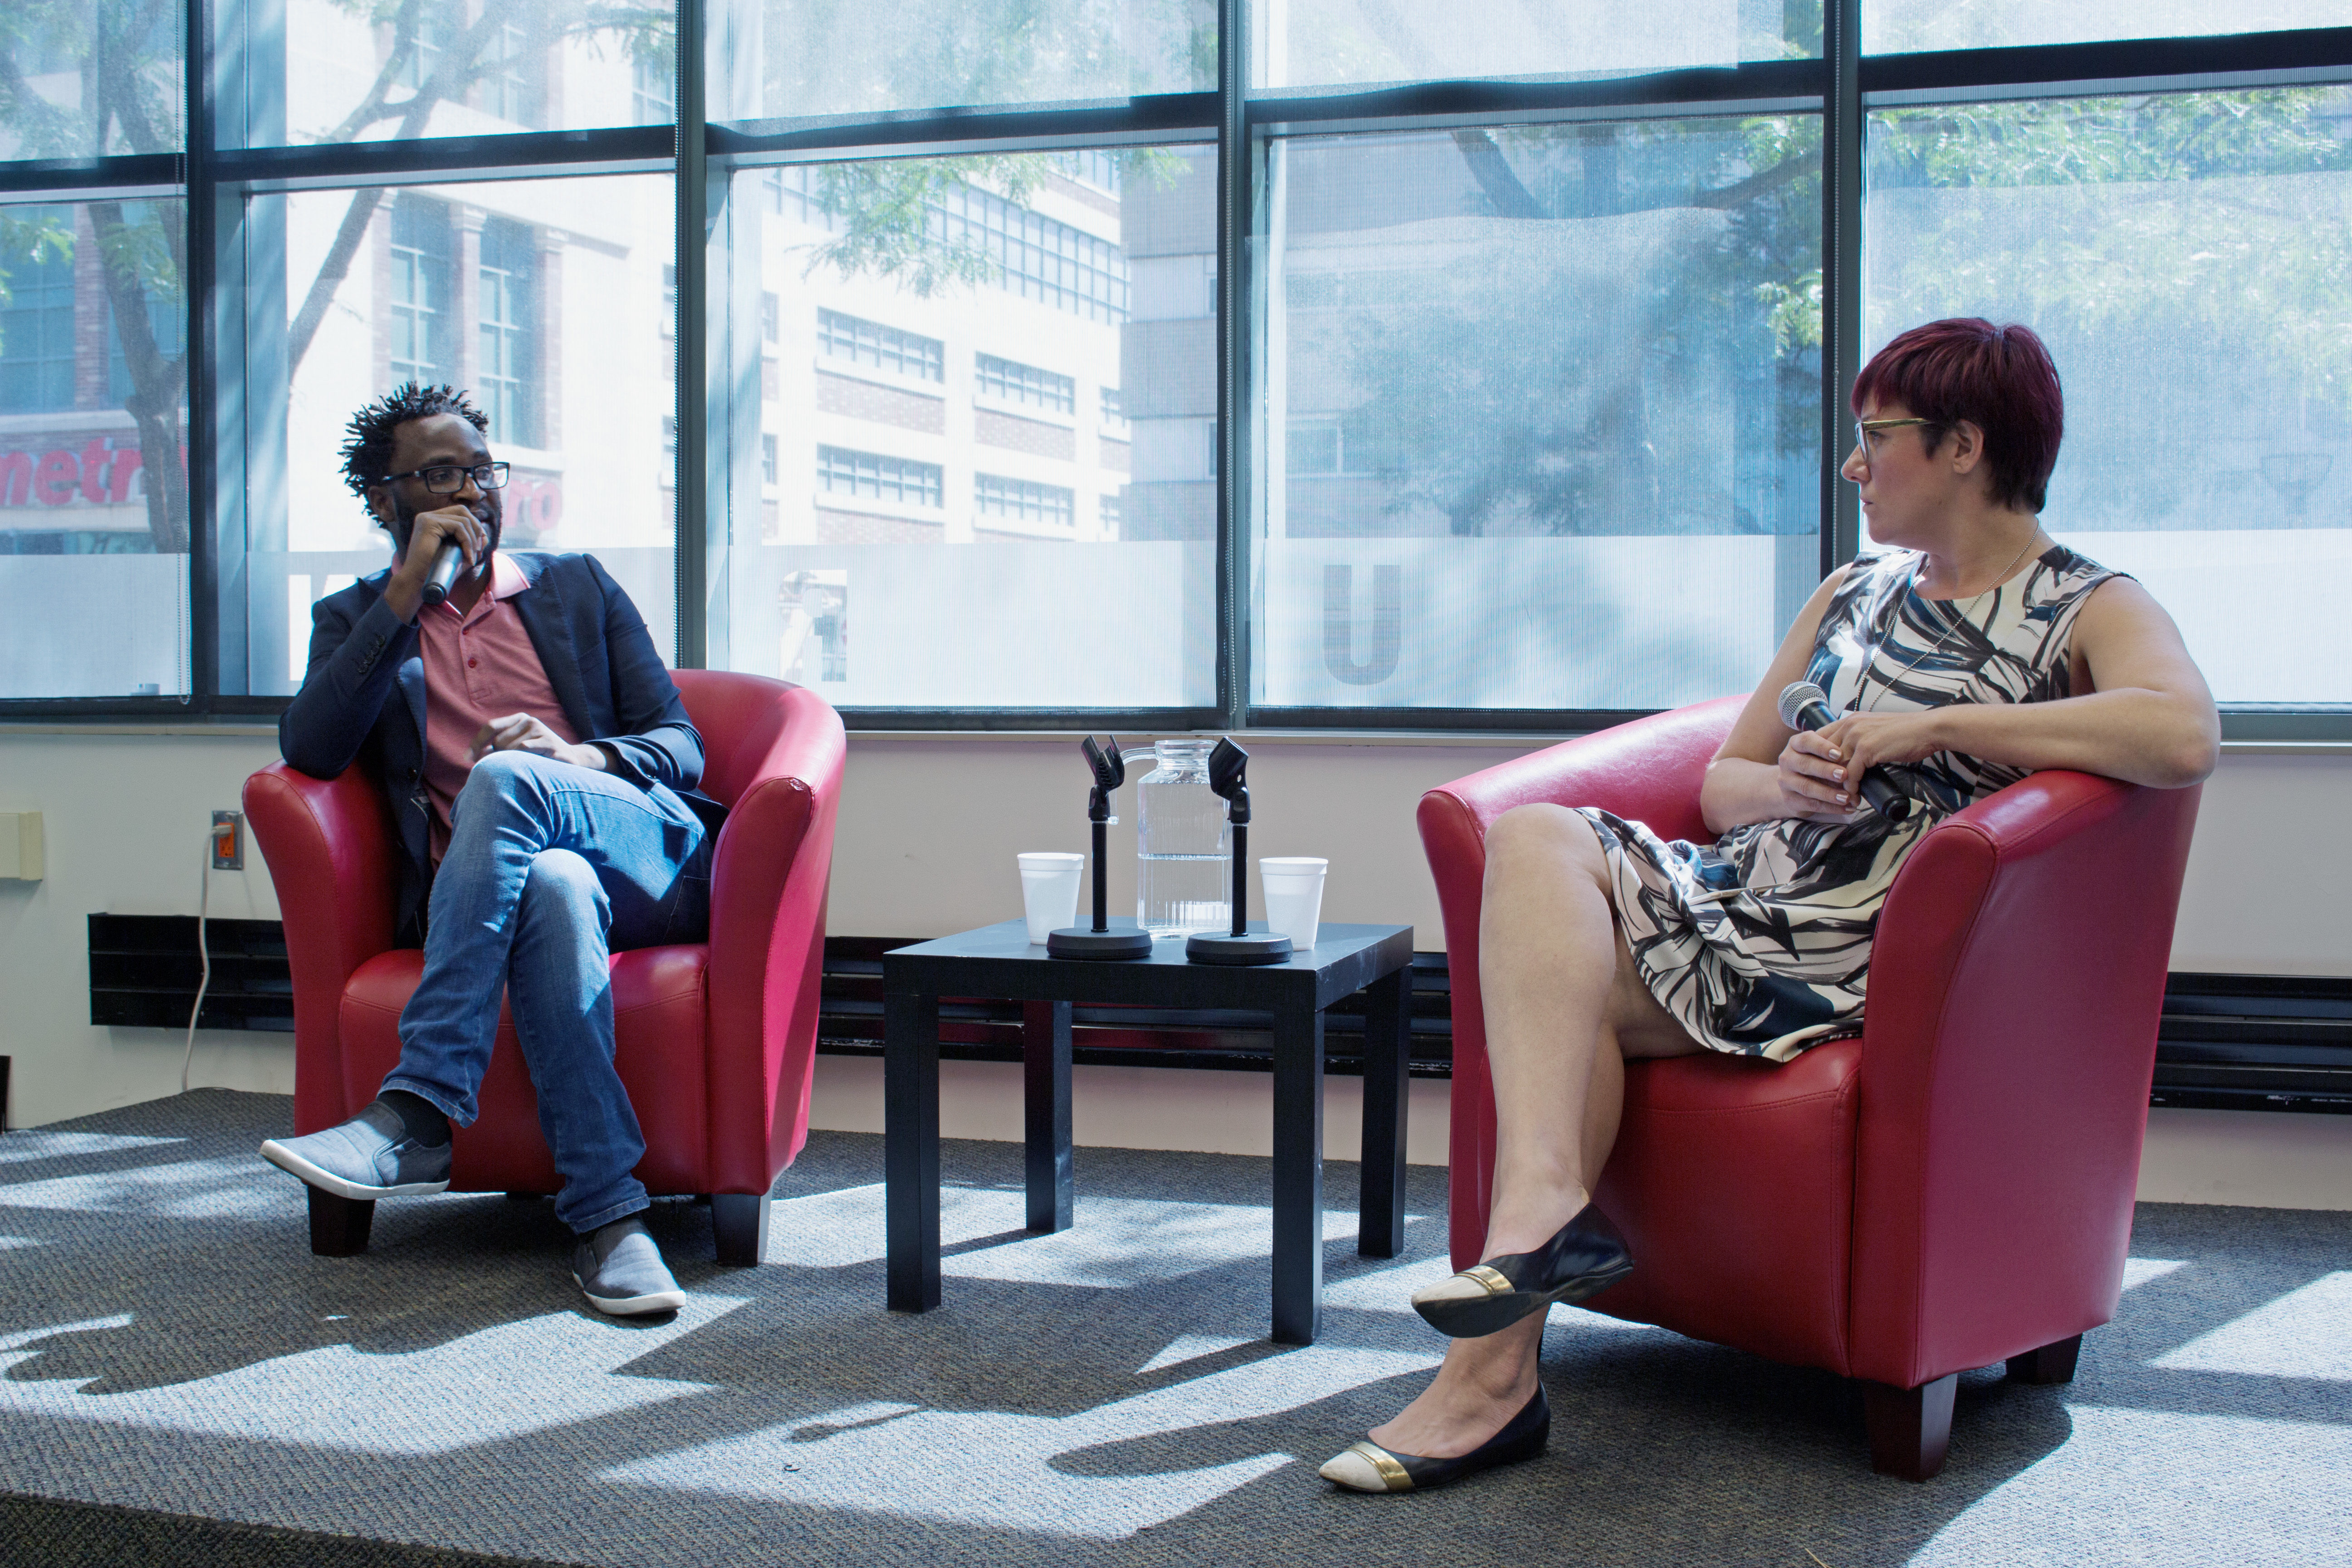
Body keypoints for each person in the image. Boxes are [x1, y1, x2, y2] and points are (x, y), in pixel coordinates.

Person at [1320, 319, 2220, 1493]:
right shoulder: (1851, 593)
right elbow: (1721, 782)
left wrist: (1936, 727)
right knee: (1537, 840)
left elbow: (2182, 730)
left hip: (1870, 958)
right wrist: (1782, 782)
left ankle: (1490, 1372)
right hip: (1746, 903)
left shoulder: (2083, 603)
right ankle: (1528, 1267)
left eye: (1875, 440)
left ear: (1962, 447)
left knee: (1564, 990)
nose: (1854, 467)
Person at [259, 383, 723, 1318]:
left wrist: (577, 756)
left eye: (482, 468)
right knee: (549, 886)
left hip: (641, 856)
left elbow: (682, 745)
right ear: (383, 499)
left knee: (506, 782)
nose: (472, 491)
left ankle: (420, 1108)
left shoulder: (577, 586)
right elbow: (310, 751)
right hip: (507, 888)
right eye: (439, 474)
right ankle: (609, 1218)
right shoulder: (359, 620)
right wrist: (403, 598)